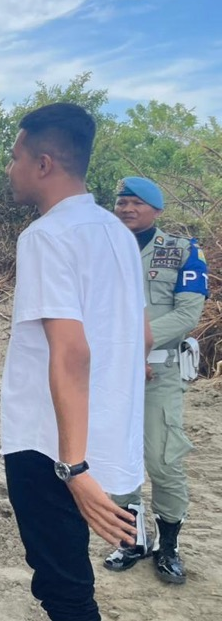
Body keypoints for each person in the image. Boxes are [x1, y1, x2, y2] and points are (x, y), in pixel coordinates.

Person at [1, 103, 149, 621]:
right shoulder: (115, 231)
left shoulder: (47, 236)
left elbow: (70, 352)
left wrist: (74, 465)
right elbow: (140, 336)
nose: (9, 169)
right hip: (100, 433)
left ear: (43, 164)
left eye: (15, 157)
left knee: (65, 591)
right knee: (70, 584)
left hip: (50, 444)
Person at [105, 176, 208, 584]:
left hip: (159, 370)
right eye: (122, 202)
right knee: (119, 458)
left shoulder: (183, 251)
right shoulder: (105, 251)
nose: (127, 208)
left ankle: (169, 546)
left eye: (136, 202)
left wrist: (134, 348)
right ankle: (131, 540)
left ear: (157, 210)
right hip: (113, 371)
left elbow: (187, 315)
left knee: (163, 460)